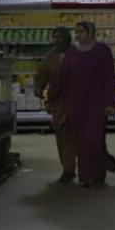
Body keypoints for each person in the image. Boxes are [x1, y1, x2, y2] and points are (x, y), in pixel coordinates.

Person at [49, 20, 115, 189]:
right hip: (76, 103)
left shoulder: (102, 51)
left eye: (82, 32)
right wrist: (51, 99)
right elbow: (61, 78)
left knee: (93, 138)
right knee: (80, 141)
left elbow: (109, 77)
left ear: (91, 33)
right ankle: (88, 177)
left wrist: (112, 102)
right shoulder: (72, 53)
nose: (78, 35)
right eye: (77, 32)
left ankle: (104, 165)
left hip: (97, 102)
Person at [34, 26, 75, 183]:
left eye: (60, 36)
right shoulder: (50, 57)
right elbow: (41, 75)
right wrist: (39, 87)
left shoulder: (79, 54)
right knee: (63, 136)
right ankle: (68, 169)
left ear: (67, 38)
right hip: (58, 103)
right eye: (55, 37)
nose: (57, 39)